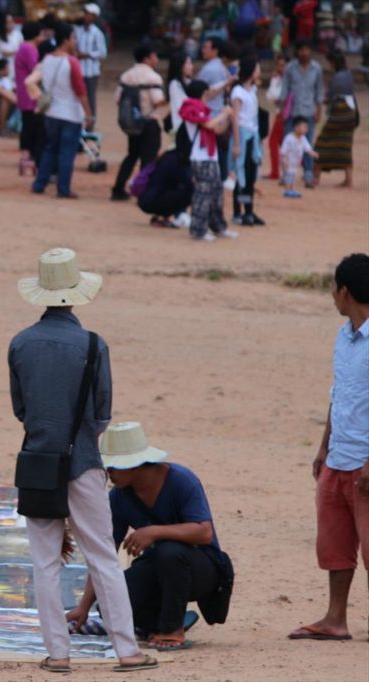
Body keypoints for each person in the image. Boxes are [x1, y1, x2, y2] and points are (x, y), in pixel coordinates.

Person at [8, 248, 156, 674]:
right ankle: (126, 650)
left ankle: (58, 654)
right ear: (75, 294)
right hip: (84, 461)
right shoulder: (93, 344)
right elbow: (102, 413)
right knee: (102, 558)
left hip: (37, 463)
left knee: (45, 562)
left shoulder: (20, 343)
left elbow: (21, 409)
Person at [66, 422, 230, 651]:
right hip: (159, 567)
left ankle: (172, 630)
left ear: (134, 465)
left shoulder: (182, 480)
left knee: (169, 551)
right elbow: (104, 552)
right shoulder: (119, 496)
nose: (108, 473)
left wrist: (154, 531)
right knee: (110, 603)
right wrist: (84, 606)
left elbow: (204, 532)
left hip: (202, 570)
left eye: (112, 467)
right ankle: (157, 623)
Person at [288, 253, 369, 643]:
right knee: (335, 543)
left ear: (345, 291)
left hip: (365, 460)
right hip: (339, 456)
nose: (332, 298)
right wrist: (324, 446)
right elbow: (340, 395)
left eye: (334, 290)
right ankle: (336, 618)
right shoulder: (344, 336)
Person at [27, 22, 93, 200]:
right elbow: (81, 91)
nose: (75, 42)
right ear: (66, 40)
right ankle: (63, 189)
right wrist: (88, 114)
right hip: (70, 114)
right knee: (66, 153)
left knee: (50, 149)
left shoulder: (47, 59)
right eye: (73, 38)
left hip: (51, 112)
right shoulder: (72, 62)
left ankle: (39, 183)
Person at [179, 81, 237, 242]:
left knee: (217, 192)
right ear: (203, 93)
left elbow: (217, 129)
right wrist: (224, 114)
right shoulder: (191, 107)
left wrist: (227, 118)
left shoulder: (203, 110)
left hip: (211, 157)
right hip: (200, 157)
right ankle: (198, 229)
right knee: (203, 194)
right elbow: (210, 125)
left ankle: (218, 226)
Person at [111, 46, 167, 202]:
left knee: (131, 155)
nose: (156, 58)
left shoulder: (126, 75)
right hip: (149, 122)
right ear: (147, 58)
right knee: (148, 160)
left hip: (132, 123)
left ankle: (118, 188)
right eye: (154, 55)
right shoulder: (153, 77)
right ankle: (143, 191)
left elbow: (118, 99)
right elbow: (157, 100)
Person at [279, 39, 324, 189]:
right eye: (301, 50)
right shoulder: (290, 68)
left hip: (308, 111)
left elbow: (319, 92)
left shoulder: (316, 69)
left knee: (307, 144)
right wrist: (281, 109)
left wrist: (319, 111)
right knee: (287, 142)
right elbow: (284, 90)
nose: (304, 53)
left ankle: (308, 175)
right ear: (297, 51)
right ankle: (286, 175)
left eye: (307, 50)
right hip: (292, 112)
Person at [195, 38, 238, 181]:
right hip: (217, 112)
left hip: (212, 112)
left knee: (216, 148)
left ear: (216, 51)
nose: (203, 50)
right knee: (220, 148)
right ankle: (222, 176)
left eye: (206, 47)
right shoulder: (218, 68)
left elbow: (203, 91)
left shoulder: (212, 68)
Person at [314, 50, 358, 189]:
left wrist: (320, 100)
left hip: (339, 112)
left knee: (322, 143)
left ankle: (316, 178)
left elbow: (330, 96)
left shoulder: (337, 77)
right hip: (351, 112)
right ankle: (348, 180)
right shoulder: (349, 74)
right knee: (345, 145)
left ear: (333, 62)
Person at [228, 57, 264, 226]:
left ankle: (248, 210)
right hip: (242, 136)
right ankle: (238, 212)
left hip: (252, 135)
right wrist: (236, 143)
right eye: (257, 68)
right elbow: (235, 118)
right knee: (241, 175)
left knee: (249, 176)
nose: (259, 71)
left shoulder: (251, 90)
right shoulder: (238, 92)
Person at [14, 21, 44, 176]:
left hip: (24, 92)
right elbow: (36, 70)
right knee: (33, 126)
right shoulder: (29, 49)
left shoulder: (23, 47)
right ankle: (30, 156)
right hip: (30, 93)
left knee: (28, 124)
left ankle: (26, 155)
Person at [137, 150, 193, 229]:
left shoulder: (168, 156)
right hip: (152, 200)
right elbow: (187, 181)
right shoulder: (176, 160)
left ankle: (162, 216)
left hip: (146, 198)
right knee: (189, 192)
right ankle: (162, 216)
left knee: (176, 188)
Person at [74, 4, 106, 121]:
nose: (86, 16)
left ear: (94, 17)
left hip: (91, 72)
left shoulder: (97, 33)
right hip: (79, 70)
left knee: (90, 98)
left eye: (88, 14)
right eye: (85, 13)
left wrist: (87, 55)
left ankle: (91, 123)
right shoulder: (78, 30)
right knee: (78, 97)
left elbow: (102, 53)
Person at [281, 117, 319, 198]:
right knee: (289, 176)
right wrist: (284, 160)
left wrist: (313, 153)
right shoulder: (289, 138)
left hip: (296, 162)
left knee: (293, 175)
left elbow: (307, 148)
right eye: (304, 127)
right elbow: (283, 151)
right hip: (288, 161)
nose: (306, 129)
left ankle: (292, 189)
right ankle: (287, 190)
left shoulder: (303, 138)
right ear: (296, 127)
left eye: (306, 127)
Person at [264, 53, 287, 181]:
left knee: (274, 141)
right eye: (279, 66)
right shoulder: (279, 79)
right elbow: (270, 96)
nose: (280, 68)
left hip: (283, 113)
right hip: (282, 113)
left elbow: (273, 97)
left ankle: (275, 171)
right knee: (282, 142)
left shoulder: (283, 79)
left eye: (282, 65)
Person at [166, 52, 193, 135]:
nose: (191, 66)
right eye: (188, 63)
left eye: (191, 63)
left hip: (190, 127)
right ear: (180, 65)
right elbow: (180, 106)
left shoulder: (188, 82)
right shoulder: (175, 84)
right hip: (181, 128)